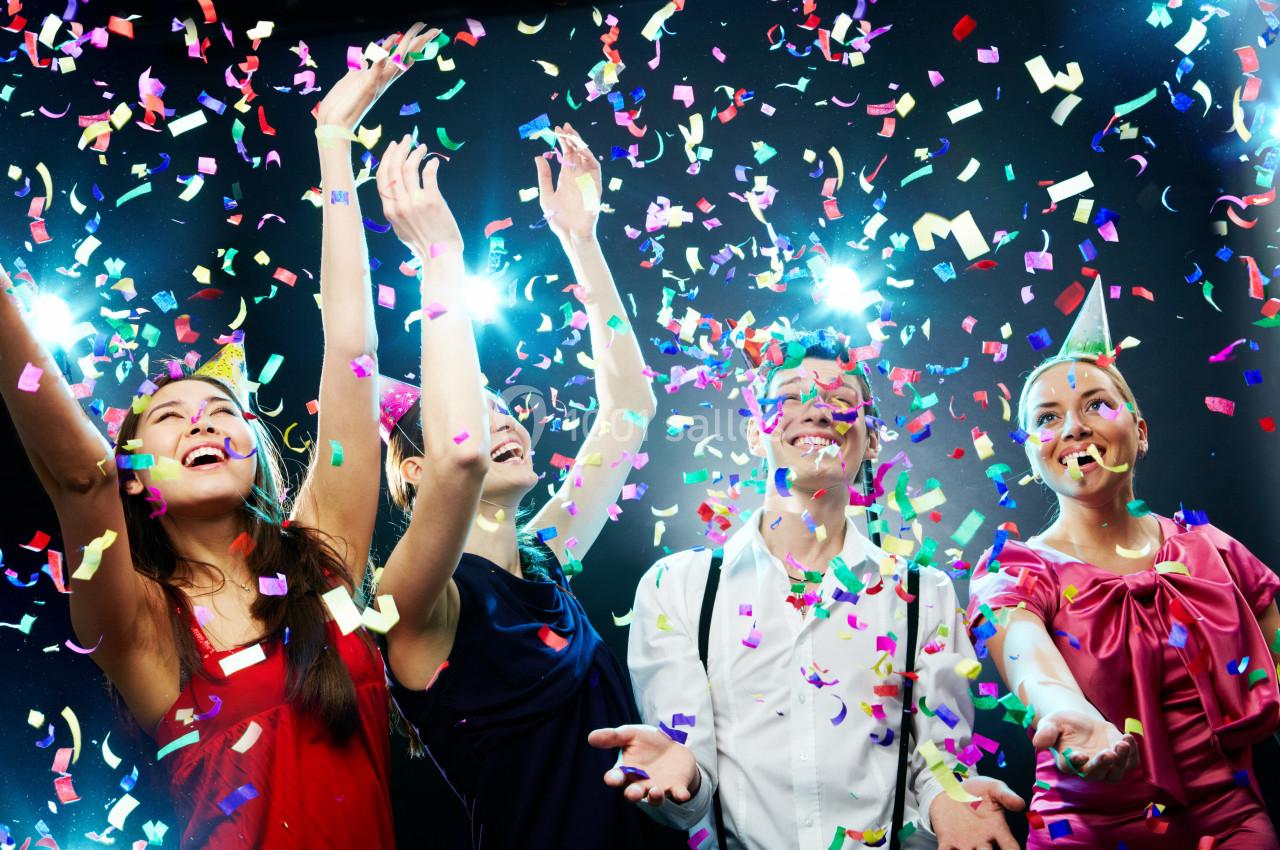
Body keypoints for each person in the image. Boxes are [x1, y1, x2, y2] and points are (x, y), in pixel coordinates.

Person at [0, 24, 436, 848]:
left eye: (222, 411)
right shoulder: (141, 626)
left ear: (255, 448)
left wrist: (333, 142)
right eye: (169, 418)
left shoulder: (324, 555)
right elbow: (77, 479)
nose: (201, 417)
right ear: (135, 475)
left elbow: (353, 353)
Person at [593, 327, 1025, 850]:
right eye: (792, 397)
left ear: (872, 439)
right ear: (757, 432)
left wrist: (948, 801)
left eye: (841, 401)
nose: (818, 412)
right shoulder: (676, 587)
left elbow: (937, 761)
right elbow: (688, 789)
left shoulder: (925, 593)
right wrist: (679, 778)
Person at [373, 123, 678, 849]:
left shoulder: (547, 553)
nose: (500, 424)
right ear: (411, 471)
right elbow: (461, 460)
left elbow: (631, 407)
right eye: (477, 416)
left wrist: (582, 239)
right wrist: (440, 261)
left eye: (504, 410)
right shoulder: (416, 600)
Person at [966, 280, 1280, 849]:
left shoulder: (1214, 550)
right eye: (1048, 417)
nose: (1073, 428)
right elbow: (1028, 660)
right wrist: (1068, 713)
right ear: (1034, 456)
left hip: (1232, 824)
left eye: (1095, 404)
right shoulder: (1012, 572)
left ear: (1139, 431)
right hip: (1085, 833)